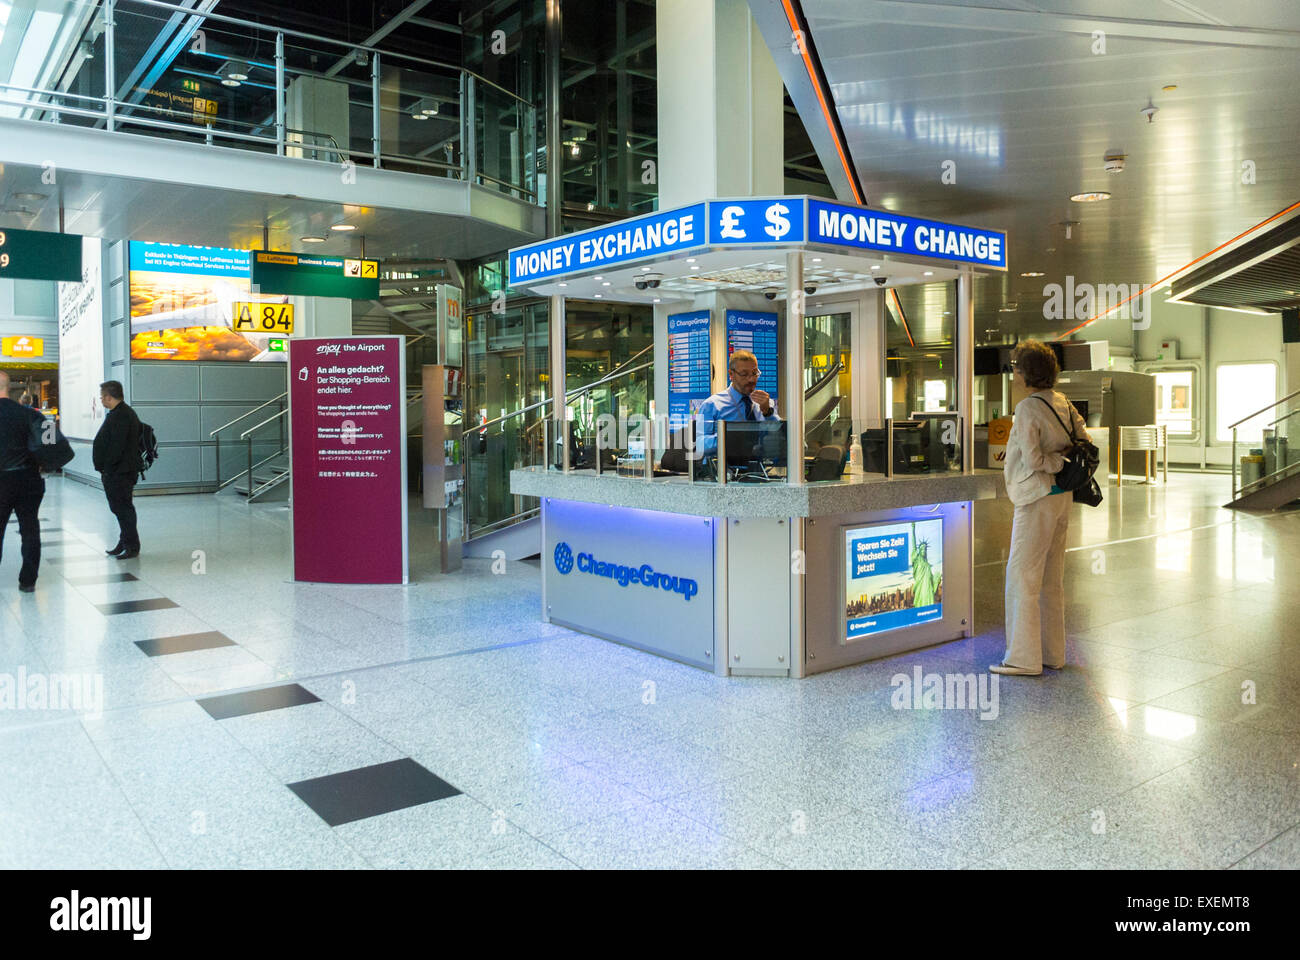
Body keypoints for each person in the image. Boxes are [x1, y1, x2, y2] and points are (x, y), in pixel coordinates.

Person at [992, 340, 1088, 676]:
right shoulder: (1062, 401)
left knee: (1022, 576)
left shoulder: (1027, 408)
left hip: (1036, 497)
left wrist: (1056, 462)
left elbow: (1034, 460)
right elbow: (1084, 440)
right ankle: (1052, 654)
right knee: (1051, 577)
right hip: (1062, 498)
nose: (1013, 373)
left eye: (1016, 367)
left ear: (1024, 373)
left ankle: (1022, 658)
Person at [0, 371, 47, 592]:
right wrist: (41, 463)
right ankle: (28, 581)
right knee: (30, 529)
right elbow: (52, 443)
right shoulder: (32, 415)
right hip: (29, 480)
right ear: (8, 387)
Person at [695, 349, 780, 457]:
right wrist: (727, 438)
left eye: (754, 373)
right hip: (725, 470)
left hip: (760, 470)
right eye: (744, 374)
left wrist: (768, 412)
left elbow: (781, 437)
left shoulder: (764, 403)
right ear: (731, 374)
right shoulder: (712, 405)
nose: (751, 379)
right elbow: (699, 445)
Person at [93, 380, 142, 559]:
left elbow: (117, 446)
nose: (101, 400)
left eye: (101, 396)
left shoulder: (122, 415)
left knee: (123, 509)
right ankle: (124, 542)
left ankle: (131, 546)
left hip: (120, 472)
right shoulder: (119, 413)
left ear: (108, 396)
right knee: (120, 509)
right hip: (118, 471)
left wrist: (107, 468)